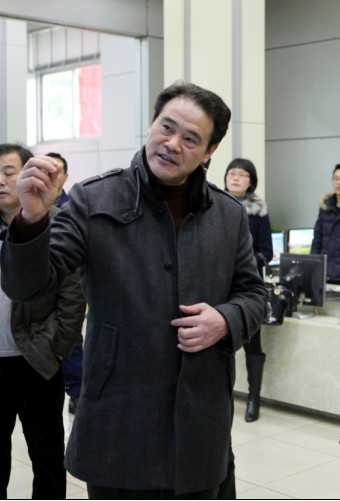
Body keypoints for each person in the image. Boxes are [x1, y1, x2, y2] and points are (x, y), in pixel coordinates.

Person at [0, 82, 268, 498]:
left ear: (209, 151)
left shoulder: (228, 215)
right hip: (118, 419)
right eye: (167, 127)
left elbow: (254, 295)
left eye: (190, 139)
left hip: (198, 417)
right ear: (151, 125)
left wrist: (225, 319)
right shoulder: (94, 200)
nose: (172, 144)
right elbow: (28, 287)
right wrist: (32, 220)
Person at [0, 143, 86, 499]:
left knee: (46, 453)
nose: (0, 180)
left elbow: (73, 295)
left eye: (8, 172)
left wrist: (56, 347)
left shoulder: (57, 224)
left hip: (36, 358)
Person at [224, 157, 272, 422]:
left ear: (251, 181)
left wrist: (243, 265)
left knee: (253, 345)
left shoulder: (258, 210)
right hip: (218, 285)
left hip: (247, 286)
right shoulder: (213, 204)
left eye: (242, 174)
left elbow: (267, 251)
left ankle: (254, 398)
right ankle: (222, 395)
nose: (235, 178)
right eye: (232, 173)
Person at [46, 151, 84, 414]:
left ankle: (78, 391)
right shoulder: (25, 209)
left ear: (65, 176)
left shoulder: (73, 207)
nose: (50, 175)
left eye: (56, 170)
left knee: (71, 343)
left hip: (66, 291)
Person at [311, 163, 340, 283]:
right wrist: (313, 268)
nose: (339, 182)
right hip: (323, 275)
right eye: (336, 178)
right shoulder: (325, 208)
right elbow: (317, 241)